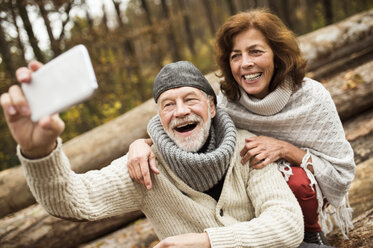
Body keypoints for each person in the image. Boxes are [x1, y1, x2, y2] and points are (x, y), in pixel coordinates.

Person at [1, 61, 305, 247]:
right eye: (168, 104)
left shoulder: (247, 148)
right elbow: (73, 200)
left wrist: (208, 242)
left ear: (211, 107)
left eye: (190, 99)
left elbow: (288, 225)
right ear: (159, 116)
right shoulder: (144, 165)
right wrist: (39, 151)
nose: (181, 111)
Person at [126, 9, 356, 246]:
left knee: (293, 179)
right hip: (252, 196)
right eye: (236, 56)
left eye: (255, 51)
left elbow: (341, 172)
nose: (245, 63)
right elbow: (189, 129)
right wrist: (140, 145)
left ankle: (311, 233)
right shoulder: (227, 104)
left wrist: (286, 150)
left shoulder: (312, 97)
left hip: (304, 191)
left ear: (278, 55)